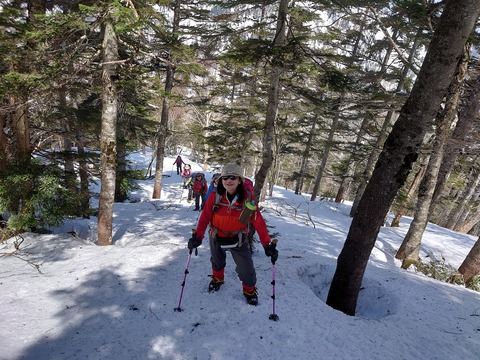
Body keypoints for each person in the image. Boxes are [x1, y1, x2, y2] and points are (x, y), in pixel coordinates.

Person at [188, 163, 278, 305]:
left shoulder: (248, 199)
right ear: (221, 180)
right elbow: (205, 217)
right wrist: (198, 237)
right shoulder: (214, 196)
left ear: (240, 180)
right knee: (217, 262)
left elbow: (258, 221)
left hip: (239, 238)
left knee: (246, 268)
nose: (228, 181)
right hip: (216, 236)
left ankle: (249, 290)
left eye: (233, 177)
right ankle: (217, 279)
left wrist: (267, 244)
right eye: (225, 178)